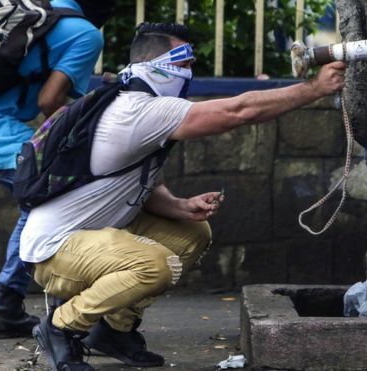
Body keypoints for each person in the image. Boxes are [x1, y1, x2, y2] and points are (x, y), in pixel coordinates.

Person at [20, 22, 346, 370]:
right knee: (154, 266)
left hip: (90, 237)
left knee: (191, 233)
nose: (189, 73)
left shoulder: (133, 101)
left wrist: (178, 205)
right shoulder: (138, 109)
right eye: (183, 63)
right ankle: (59, 327)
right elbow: (237, 111)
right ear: (155, 65)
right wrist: (314, 88)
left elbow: (136, 185)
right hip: (55, 252)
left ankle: (115, 329)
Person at [0, 0, 114, 339]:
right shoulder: (86, 33)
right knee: (50, 203)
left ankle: (11, 306)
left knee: (43, 203)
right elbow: (49, 102)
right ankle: (14, 305)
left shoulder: (32, 11)